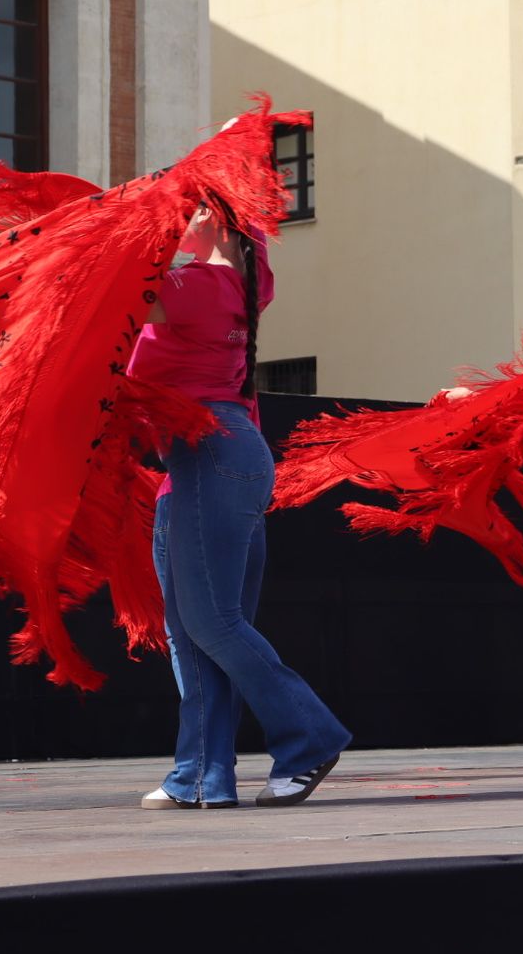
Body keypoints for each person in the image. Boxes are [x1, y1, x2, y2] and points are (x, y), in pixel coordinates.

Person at [131, 201, 350, 808]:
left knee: (211, 625)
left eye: (196, 206)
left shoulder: (200, 283)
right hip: (205, 462)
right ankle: (201, 775)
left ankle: (309, 738)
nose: (182, 214)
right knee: (194, 632)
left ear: (222, 223)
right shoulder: (242, 283)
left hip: (210, 455)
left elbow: (115, 299)